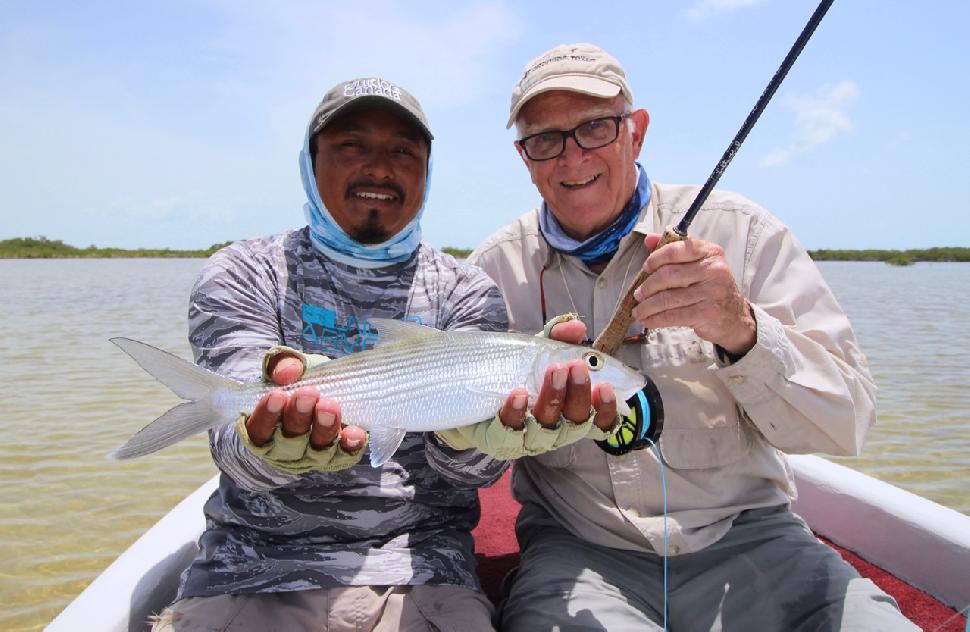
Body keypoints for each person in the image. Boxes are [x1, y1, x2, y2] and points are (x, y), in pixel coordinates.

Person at [469, 43, 919, 630]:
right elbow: (457, 458)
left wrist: (741, 328)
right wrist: (493, 434)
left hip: (756, 540)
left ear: (637, 132)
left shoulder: (745, 235)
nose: (571, 157)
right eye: (545, 139)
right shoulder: (492, 272)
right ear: (524, 157)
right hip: (578, 551)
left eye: (595, 128)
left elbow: (848, 420)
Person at [151, 77, 615, 632]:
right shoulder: (246, 271)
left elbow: (464, 468)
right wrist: (268, 440)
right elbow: (233, 452)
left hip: (422, 570)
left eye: (403, 151)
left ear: (426, 171)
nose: (379, 167)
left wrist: (477, 441)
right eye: (352, 145)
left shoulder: (466, 290)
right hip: (252, 569)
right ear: (310, 159)